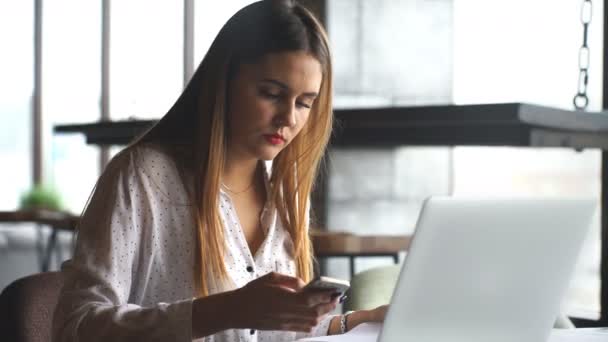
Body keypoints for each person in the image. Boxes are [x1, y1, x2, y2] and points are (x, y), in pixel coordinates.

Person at [52, 0, 387, 341]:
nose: (289, 118)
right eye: (271, 94)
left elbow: (274, 332)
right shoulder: (143, 178)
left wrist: (356, 321)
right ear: (223, 82)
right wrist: (228, 310)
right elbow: (77, 328)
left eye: (304, 103)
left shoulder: (286, 195)